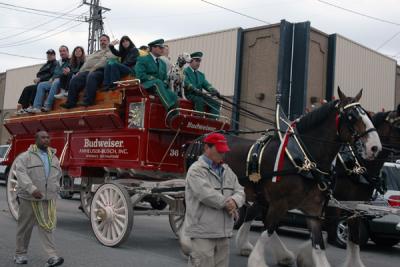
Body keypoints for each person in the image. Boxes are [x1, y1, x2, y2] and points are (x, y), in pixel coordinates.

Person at [183, 133, 245, 267]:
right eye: (219, 150)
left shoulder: (227, 170)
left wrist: (235, 201)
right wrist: (227, 203)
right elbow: (206, 194)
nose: (223, 154)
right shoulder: (196, 170)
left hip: (223, 234)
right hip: (202, 234)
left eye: (224, 151)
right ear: (207, 148)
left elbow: (240, 191)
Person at [14, 131, 64, 267]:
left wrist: (55, 190)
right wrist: (32, 189)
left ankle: (52, 256)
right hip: (28, 198)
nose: (46, 140)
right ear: (36, 139)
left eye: (48, 137)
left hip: (46, 198)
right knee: (25, 227)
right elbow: (21, 174)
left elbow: (57, 175)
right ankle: (20, 254)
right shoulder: (25, 157)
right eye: (43, 137)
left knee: (47, 228)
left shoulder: (54, 158)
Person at [60, 34, 116, 108]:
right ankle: (70, 102)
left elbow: (104, 61)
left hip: (100, 71)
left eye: (104, 40)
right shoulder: (95, 52)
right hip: (88, 71)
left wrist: (93, 69)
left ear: (109, 42)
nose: (102, 42)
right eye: (101, 40)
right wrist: (80, 72)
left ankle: (88, 101)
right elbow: (86, 63)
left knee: (91, 76)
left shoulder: (111, 51)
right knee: (75, 79)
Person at [135, 39, 177, 113]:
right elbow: (140, 75)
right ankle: (170, 108)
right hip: (145, 85)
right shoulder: (142, 59)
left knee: (173, 95)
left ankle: (174, 117)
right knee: (157, 82)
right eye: (160, 47)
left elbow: (165, 79)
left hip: (159, 87)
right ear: (153, 48)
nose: (162, 49)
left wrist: (164, 83)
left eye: (163, 48)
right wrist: (154, 79)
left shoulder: (163, 63)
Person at [28, 45, 70, 113]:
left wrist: (55, 78)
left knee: (56, 82)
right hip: (55, 80)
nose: (62, 53)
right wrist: (53, 78)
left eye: (64, 51)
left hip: (63, 81)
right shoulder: (59, 62)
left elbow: (64, 72)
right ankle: (37, 107)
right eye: (60, 51)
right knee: (41, 85)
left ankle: (48, 106)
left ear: (68, 52)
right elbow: (56, 72)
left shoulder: (71, 60)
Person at [16, 50, 57, 114]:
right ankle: (24, 108)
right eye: (48, 55)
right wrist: (38, 78)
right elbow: (39, 73)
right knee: (27, 88)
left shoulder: (55, 64)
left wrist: (40, 78)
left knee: (36, 87)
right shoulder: (46, 65)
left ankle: (32, 106)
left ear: (54, 55)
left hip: (47, 82)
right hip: (40, 82)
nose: (49, 56)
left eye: (51, 55)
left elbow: (51, 74)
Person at [184, 52, 221, 117]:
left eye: (199, 61)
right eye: (196, 61)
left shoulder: (201, 75)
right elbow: (186, 82)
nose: (198, 63)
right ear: (190, 61)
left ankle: (212, 122)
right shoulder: (185, 71)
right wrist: (194, 89)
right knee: (199, 100)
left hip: (200, 95)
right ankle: (199, 120)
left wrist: (213, 90)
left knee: (216, 103)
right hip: (189, 95)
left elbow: (206, 85)